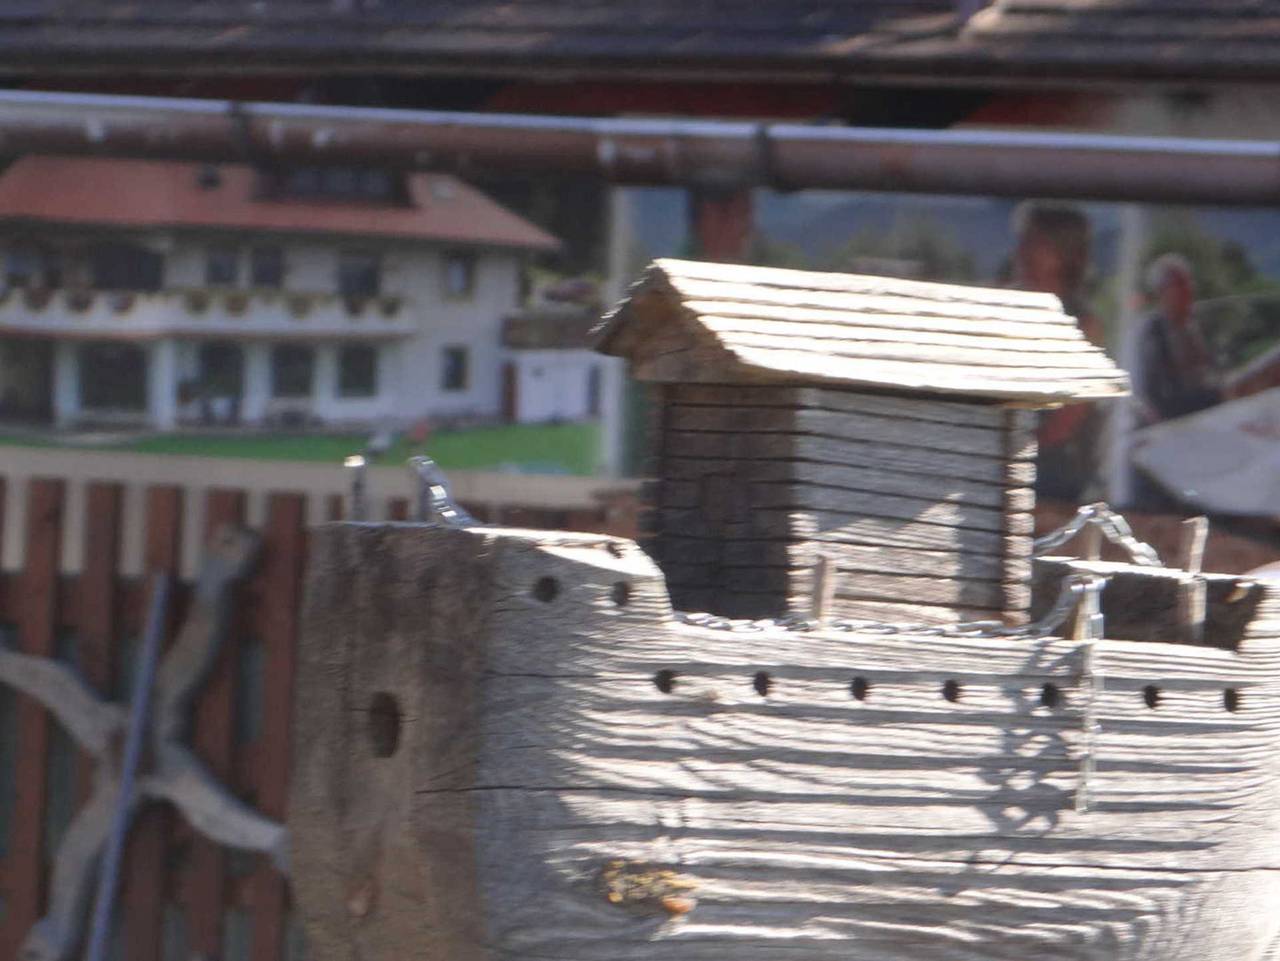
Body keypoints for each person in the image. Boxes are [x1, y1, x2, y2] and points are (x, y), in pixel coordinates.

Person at [1009, 202, 1103, 502]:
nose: (1023, 252)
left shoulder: (1083, 326)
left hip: (1050, 481)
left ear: (1063, 253)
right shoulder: (1006, 309)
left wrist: (1012, 454)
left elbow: (1067, 422)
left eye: (1035, 243)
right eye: (1022, 242)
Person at [1132, 253, 1220, 425]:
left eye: (1189, 282)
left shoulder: (1193, 325)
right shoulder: (1153, 335)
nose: (1189, 290)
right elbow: (1161, 401)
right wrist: (1216, 396)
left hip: (1208, 415)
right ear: (1162, 293)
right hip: (1177, 426)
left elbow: (1211, 370)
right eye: (1180, 284)